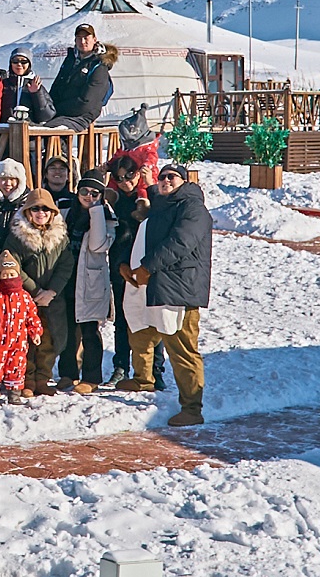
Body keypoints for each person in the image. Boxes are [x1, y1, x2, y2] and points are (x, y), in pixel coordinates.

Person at [120, 163, 212, 426]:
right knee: (140, 330)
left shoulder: (193, 208)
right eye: (162, 177)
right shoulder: (161, 206)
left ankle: (192, 408)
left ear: (184, 181)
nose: (166, 180)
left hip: (179, 289)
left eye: (172, 177)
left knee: (181, 348)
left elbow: (180, 242)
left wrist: (147, 266)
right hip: (153, 284)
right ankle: (143, 379)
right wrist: (125, 263)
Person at [2, 188, 74, 396]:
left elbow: (66, 265)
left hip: (52, 299)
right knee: (26, 341)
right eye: (35, 209)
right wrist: (35, 290)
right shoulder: (17, 236)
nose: (40, 213)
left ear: (52, 212)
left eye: (45, 209)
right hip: (26, 298)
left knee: (48, 340)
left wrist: (52, 291)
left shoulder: (60, 236)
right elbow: (13, 265)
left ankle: (43, 378)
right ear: (28, 212)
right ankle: (27, 379)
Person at [57, 170, 116, 394]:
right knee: (68, 329)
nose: (88, 196)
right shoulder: (65, 210)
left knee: (90, 331)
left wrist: (96, 211)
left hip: (91, 280)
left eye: (94, 193)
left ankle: (91, 377)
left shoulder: (106, 216)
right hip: (67, 277)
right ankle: (68, 373)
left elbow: (98, 245)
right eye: (84, 191)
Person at [105, 153, 156, 387]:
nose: (125, 181)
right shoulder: (114, 200)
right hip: (120, 264)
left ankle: (154, 370)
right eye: (120, 178)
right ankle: (121, 366)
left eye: (130, 175)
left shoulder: (148, 198)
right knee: (122, 319)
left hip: (147, 265)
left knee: (151, 318)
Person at [0, 252, 43, 405]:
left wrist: (35, 332)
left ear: (18, 274)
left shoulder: (24, 296)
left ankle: (14, 393)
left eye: (12, 274)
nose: (8, 278)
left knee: (17, 366)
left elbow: (32, 315)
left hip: (18, 341)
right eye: (4, 275)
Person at [48, 23, 117, 131]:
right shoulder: (71, 60)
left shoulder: (99, 65)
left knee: (48, 131)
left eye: (86, 38)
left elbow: (86, 102)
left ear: (94, 39)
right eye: (79, 38)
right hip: (61, 113)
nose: (82, 41)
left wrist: (57, 109)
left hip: (81, 116)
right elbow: (57, 87)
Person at [0, 49, 57, 124]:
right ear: (11, 64)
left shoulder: (36, 85)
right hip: (5, 129)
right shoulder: (3, 85)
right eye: (15, 61)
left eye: (23, 61)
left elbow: (46, 116)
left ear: (29, 64)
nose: (19, 64)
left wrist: (36, 93)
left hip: (30, 129)